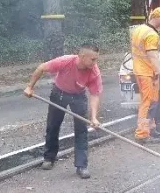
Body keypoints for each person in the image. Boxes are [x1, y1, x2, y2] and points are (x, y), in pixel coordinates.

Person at [24, 44, 103, 179]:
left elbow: (95, 94)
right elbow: (41, 68)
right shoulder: (65, 61)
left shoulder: (94, 71)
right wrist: (29, 87)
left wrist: (94, 117)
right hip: (59, 93)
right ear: (82, 56)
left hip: (78, 96)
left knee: (81, 130)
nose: (95, 63)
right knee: (53, 126)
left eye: (96, 59)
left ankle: (81, 165)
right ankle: (49, 158)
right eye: (93, 59)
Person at [130, 7, 160, 143]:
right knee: (147, 103)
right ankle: (142, 134)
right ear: (159, 17)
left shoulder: (139, 29)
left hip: (143, 71)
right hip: (147, 72)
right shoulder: (152, 35)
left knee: (153, 102)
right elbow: (153, 57)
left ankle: (151, 128)